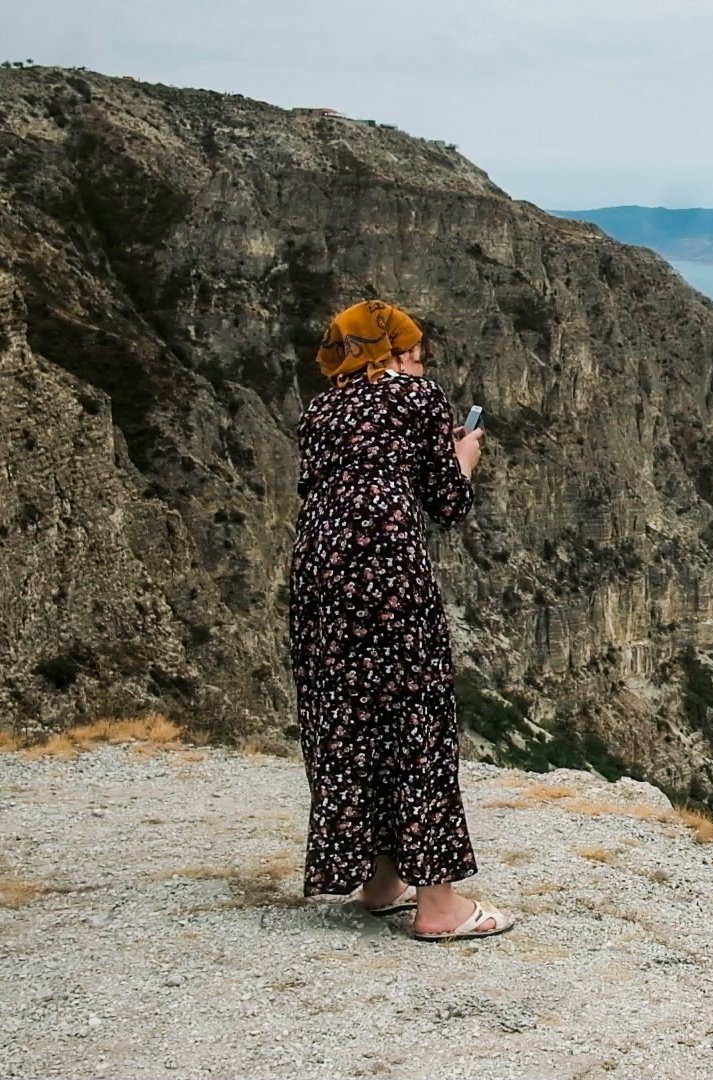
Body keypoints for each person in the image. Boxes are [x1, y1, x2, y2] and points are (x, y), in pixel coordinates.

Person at [287, 299, 514, 942]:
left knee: (349, 716)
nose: (419, 365)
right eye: (411, 353)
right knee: (414, 717)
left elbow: (341, 483)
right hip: (386, 575)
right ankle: (439, 905)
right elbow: (446, 502)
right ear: (388, 354)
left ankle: (381, 879)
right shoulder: (415, 398)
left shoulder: (320, 409)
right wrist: (462, 455)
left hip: (319, 579)